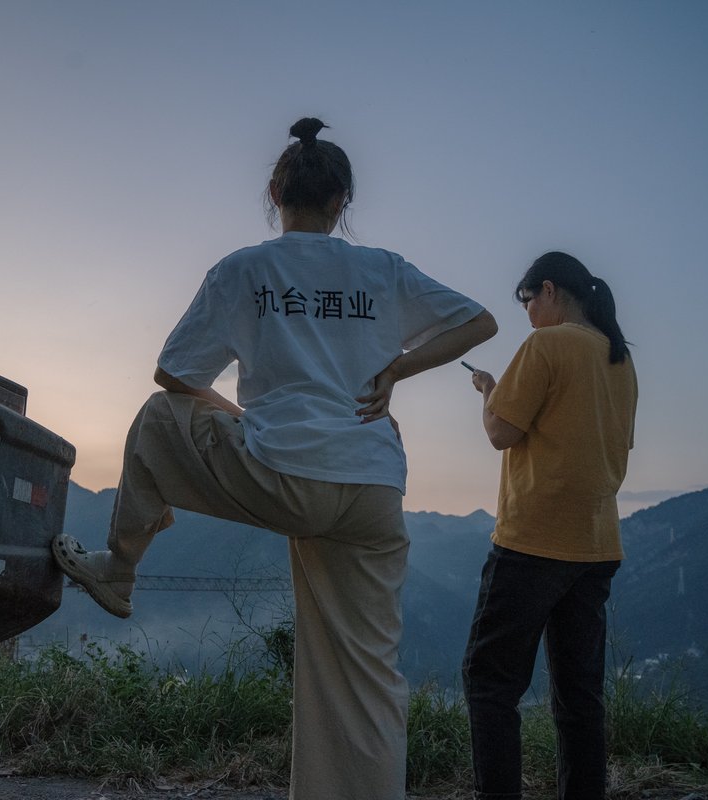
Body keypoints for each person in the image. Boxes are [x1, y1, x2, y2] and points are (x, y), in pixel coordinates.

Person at [52, 117, 497, 800]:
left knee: (154, 420)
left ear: (274, 194)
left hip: (283, 473)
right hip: (374, 487)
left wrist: (240, 414)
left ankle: (119, 568)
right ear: (342, 200)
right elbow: (479, 321)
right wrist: (395, 373)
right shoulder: (381, 269)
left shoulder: (245, 270)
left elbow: (173, 376)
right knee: (366, 678)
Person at [462, 251, 638, 800]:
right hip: (596, 543)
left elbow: (501, 433)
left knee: (490, 684)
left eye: (528, 302)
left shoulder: (547, 344)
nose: (528, 315)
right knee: (579, 695)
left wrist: (489, 392)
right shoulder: (620, 360)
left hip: (534, 541)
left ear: (549, 291)